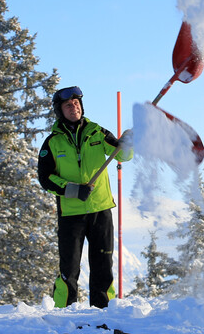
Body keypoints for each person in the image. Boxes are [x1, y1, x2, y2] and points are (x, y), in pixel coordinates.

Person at [37, 85, 133, 309]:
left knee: (103, 265)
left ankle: (104, 311)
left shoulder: (96, 132)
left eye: (77, 104)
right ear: (60, 111)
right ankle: (63, 312)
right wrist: (72, 189)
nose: (74, 108)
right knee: (69, 268)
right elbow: (45, 178)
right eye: (68, 105)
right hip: (71, 214)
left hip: (100, 210)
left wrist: (128, 143)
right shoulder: (52, 143)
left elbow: (122, 155)